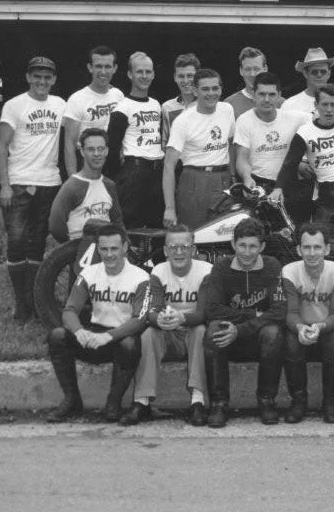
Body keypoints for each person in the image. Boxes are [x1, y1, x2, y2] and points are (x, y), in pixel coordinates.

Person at [45, 224, 149, 423]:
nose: (109, 255)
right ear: (98, 248)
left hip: (120, 338)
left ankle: (114, 402)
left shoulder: (141, 278)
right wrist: (79, 331)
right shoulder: (89, 273)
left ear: (125, 247)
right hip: (94, 335)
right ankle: (72, 400)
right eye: (104, 249)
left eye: (114, 249)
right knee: (57, 335)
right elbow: (69, 310)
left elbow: (140, 319)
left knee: (130, 343)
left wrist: (108, 336)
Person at [119, 224, 213, 427]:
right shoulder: (159, 271)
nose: (179, 252)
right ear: (165, 251)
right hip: (169, 334)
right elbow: (152, 310)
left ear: (193, 250)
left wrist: (182, 319)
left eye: (185, 247)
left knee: (201, 330)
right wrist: (158, 319)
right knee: (148, 334)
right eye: (173, 247)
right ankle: (141, 401)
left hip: (192, 331)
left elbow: (206, 313)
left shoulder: (206, 271)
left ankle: (198, 400)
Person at [0, 55, 65, 322]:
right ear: (28, 77)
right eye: (37, 76)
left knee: (37, 244)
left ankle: (35, 302)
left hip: (49, 183)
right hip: (19, 183)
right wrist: (4, 185)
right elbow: (2, 146)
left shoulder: (60, 104)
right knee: (15, 243)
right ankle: (20, 303)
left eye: (47, 77)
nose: (42, 81)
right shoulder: (14, 106)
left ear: (54, 80)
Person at [201, 218, 287, 427]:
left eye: (253, 246)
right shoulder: (221, 267)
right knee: (214, 330)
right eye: (242, 245)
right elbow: (212, 309)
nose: (247, 252)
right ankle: (219, 403)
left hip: (256, 336)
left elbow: (279, 310)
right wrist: (253, 315)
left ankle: (266, 400)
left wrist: (240, 329)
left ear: (262, 246)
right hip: (229, 336)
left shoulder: (272, 266)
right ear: (233, 244)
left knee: (273, 333)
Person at [271, 83, 334, 240]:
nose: (328, 109)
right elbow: (290, 163)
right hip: (329, 195)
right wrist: (278, 188)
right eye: (324, 104)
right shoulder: (305, 132)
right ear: (316, 105)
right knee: (327, 241)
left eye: (333, 104)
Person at [281, 222, 334, 424]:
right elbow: (292, 312)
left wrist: (321, 327)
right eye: (307, 247)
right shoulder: (290, 271)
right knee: (292, 342)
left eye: (317, 247)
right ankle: (298, 402)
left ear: (327, 249)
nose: (312, 253)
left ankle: (331, 402)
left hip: (328, 327)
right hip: (301, 327)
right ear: (298, 249)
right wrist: (301, 327)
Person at [163, 68, 235, 229]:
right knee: (193, 235)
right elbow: (168, 166)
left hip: (223, 180)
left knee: (223, 235)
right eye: (205, 89)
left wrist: (233, 176)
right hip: (194, 182)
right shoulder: (183, 121)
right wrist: (170, 208)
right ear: (195, 91)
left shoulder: (227, 110)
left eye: (215, 88)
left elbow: (230, 144)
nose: (211, 93)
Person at [107, 51, 163, 228]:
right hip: (134, 174)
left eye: (148, 72)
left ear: (153, 74)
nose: (144, 76)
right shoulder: (122, 108)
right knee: (131, 227)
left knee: (157, 227)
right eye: (139, 72)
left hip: (157, 173)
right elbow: (112, 150)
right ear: (130, 74)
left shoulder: (156, 104)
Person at [234, 72, 309, 197]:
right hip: (258, 184)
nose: (267, 99)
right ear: (253, 95)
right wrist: (247, 178)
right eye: (262, 94)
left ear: (279, 95)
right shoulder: (244, 120)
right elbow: (242, 158)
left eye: (272, 94)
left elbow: (325, 116)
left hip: (289, 184)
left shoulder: (294, 117)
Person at [48, 128, 125, 243]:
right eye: (91, 149)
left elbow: (117, 222)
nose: (96, 154)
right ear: (82, 152)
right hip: (77, 251)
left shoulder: (110, 185)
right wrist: (71, 247)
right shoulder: (71, 186)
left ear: (107, 151)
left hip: (105, 251)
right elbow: (55, 226)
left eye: (101, 149)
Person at [63, 45, 123, 176]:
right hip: (85, 161)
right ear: (90, 68)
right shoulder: (77, 99)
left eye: (107, 67)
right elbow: (69, 144)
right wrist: (73, 179)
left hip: (111, 162)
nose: (103, 71)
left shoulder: (118, 95)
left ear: (115, 68)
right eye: (98, 66)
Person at [224, 46, 284, 119]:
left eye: (256, 69)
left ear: (265, 69)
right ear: (241, 71)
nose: (252, 74)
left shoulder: (282, 103)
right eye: (248, 69)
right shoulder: (229, 104)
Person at [160, 53, 200, 147]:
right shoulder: (167, 107)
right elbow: (164, 144)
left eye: (190, 76)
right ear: (175, 77)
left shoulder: (207, 105)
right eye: (181, 76)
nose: (185, 81)